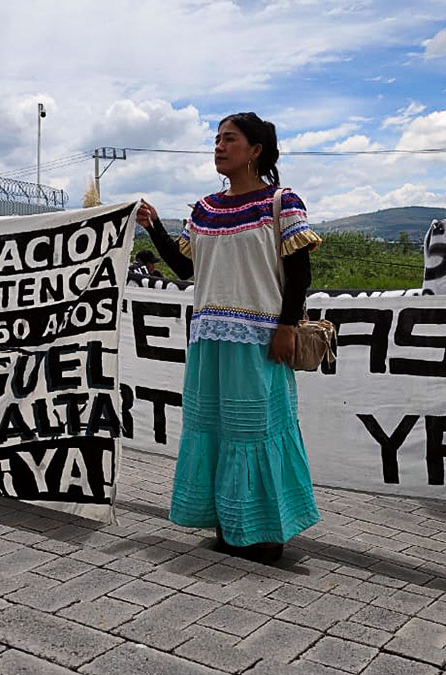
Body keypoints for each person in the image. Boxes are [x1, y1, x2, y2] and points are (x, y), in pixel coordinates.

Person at [136, 112, 322, 564]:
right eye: (216, 139)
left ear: (255, 150)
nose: (218, 147)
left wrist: (285, 327)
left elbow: (300, 273)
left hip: (260, 339)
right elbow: (185, 269)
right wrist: (154, 227)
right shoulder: (204, 209)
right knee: (216, 431)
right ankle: (230, 526)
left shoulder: (281, 202)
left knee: (256, 431)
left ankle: (265, 535)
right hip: (210, 341)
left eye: (229, 139)